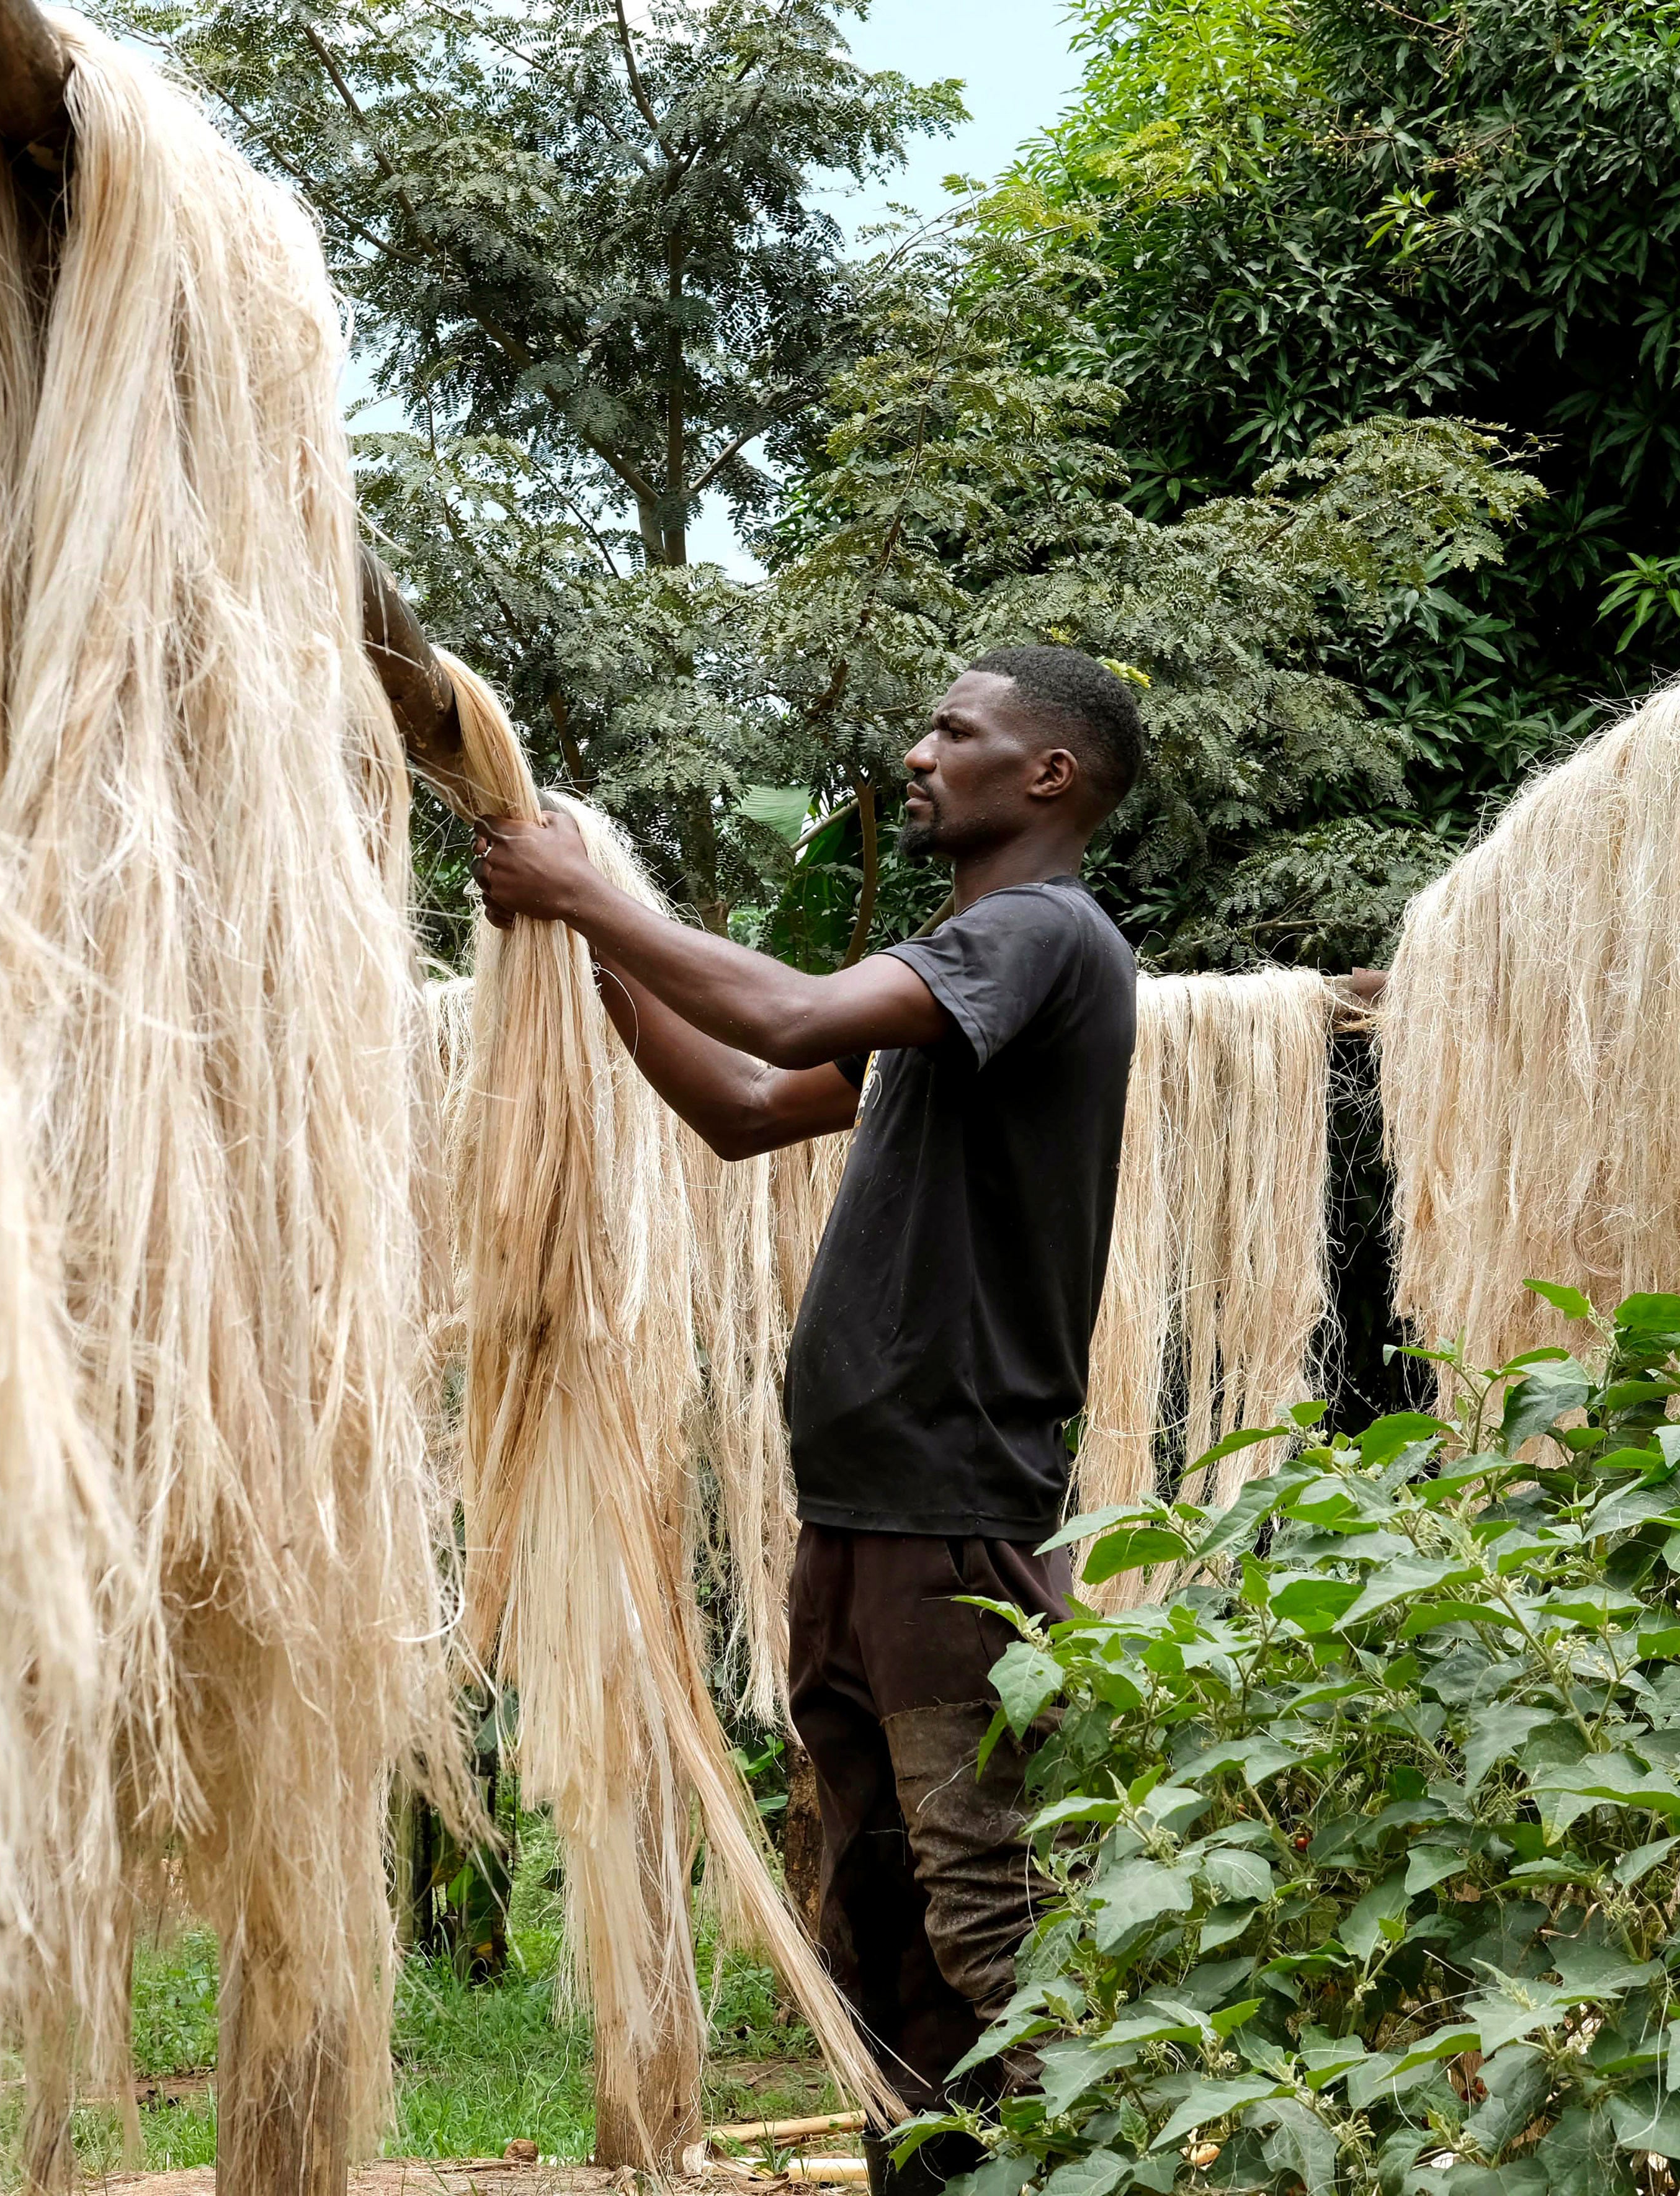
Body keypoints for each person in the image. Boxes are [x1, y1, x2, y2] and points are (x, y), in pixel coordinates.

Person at [471, 644, 1145, 2195]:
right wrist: (596, 965)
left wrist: (589, 896)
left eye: (954, 732)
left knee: (991, 1925)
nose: (918, 754)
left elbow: (783, 1021)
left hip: (953, 1521)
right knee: (879, 1933)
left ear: (1048, 774)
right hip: (860, 1522)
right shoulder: (954, 986)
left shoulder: (1041, 936)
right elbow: (746, 1107)